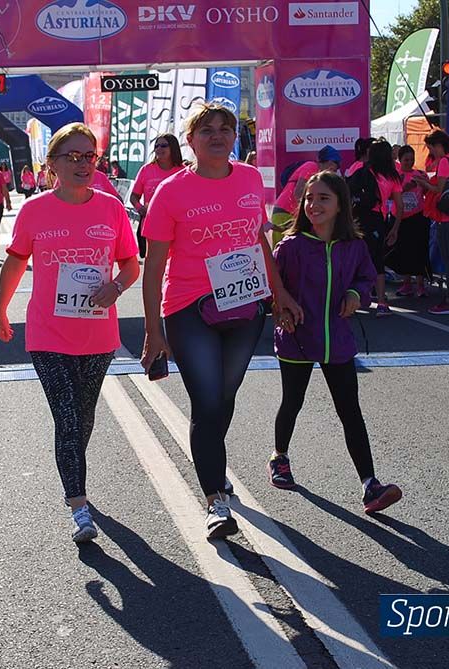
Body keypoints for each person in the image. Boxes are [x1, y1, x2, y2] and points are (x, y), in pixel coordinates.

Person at [141, 102, 303, 539]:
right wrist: (153, 330)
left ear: (236, 137)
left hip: (245, 306)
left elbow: (257, 240)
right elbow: (154, 264)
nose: (217, 135)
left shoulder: (250, 178)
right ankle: (216, 499)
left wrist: (279, 292)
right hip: (188, 306)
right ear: (189, 141)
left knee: (224, 398)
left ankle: (211, 457)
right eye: (206, 129)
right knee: (208, 400)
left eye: (225, 129)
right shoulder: (171, 191)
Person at [0, 122, 139, 543]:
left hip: (97, 335)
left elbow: (130, 264)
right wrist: (1, 310)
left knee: (84, 417)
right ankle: (78, 506)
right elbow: (17, 261)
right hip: (48, 332)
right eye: (71, 157)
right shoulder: (35, 210)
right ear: (52, 164)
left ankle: (72, 470)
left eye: (88, 156)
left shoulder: (111, 208)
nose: (81, 164)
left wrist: (116, 286)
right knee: (69, 418)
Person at [270, 171, 403, 513]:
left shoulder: (354, 246)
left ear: (341, 203)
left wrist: (357, 294)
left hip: (337, 341)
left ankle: (370, 485)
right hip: (297, 339)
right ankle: (279, 456)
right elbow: (273, 287)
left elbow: (365, 278)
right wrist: (280, 309)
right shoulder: (291, 246)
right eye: (309, 198)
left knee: (350, 412)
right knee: (292, 402)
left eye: (323, 198)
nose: (313, 205)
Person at [413, 130, 449, 316]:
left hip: (446, 215)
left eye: (431, 148)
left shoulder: (445, 161)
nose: (431, 153)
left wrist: (423, 183)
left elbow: (438, 189)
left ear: (438, 145)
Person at [353, 140, 403, 317]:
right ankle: (381, 301)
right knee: (377, 260)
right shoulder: (392, 176)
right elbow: (399, 205)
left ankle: (352, 299)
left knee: (354, 258)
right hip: (377, 220)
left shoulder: (360, 169)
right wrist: (395, 228)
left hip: (356, 218)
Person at [271, 146, 341, 247]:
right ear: (330, 162)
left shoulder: (318, 174)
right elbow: (298, 193)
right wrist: (306, 215)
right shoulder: (312, 166)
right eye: (334, 168)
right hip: (285, 212)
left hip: (288, 213)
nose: (333, 172)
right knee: (283, 253)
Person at [130, 133, 186, 258]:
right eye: (156, 146)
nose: (159, 149)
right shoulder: (146, 170)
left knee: (175, 260)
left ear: (173, 147)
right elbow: (134, 196)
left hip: (178, 226)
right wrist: (140, 208)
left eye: (164, 145)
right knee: (154, 262)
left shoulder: (183, 171)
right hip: (152, 226)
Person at [391, 146, 431, 298]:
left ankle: (421, 285)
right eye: (406, 160)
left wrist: (424, 185)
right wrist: (404, 189)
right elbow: (388, 197)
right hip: (400, 218)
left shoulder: (420, 175)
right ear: (400, 160)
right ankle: (406, 284)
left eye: (412, 159)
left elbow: (429, 193)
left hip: (418, 217)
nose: (409, 162)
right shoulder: (395, 176)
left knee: (419, 251)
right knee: (403, 251)